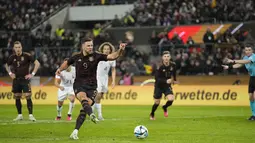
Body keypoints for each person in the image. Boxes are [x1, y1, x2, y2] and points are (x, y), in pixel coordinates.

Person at [55, 38, 126, 140]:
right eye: (88, 45)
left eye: (91, 45)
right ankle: (92, 114)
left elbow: (113, 56)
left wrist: (120, 49)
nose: (90, 47)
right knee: (83, 97)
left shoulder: (96, 55)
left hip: (92, 86)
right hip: (79, 85)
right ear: (83, 46)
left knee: (85, 106)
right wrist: (60, 69)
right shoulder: (76, 57)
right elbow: (67, 63)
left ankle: (75, 131)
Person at [5, 41, 40, 121]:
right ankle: (19, 115)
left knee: (28, 95)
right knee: (17, 96)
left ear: (21, 47)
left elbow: (37, 63)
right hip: (16, 79)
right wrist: (10, 73)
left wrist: (32, 74)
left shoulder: (27, 56)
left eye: (19, 47)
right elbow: (6, 65)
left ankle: (31, 115)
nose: (18, 49)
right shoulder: (12, 57)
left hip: (25, 79)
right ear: (14, 48)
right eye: (16, 47)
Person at [222, 44, 255, 120]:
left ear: (252, 51)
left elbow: (247, 61)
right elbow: (240, 64)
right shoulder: (245, 57)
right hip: (252, 78)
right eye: (246, 50)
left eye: (249, 50)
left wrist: (233, 60)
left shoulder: (253, 56)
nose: (248, 51)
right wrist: (229, 67)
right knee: (251, 97)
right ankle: (254, 115)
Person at [150, 51, 178, 120]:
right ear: (162, 58)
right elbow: (157, 79)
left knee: (171, 99)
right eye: (165, 57)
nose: (166, 58)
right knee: (157, 103)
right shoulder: (159, 66)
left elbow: (174, 72)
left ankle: (165, 107)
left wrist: (174, 80)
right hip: (158, 86)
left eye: (168, 56)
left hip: (166, 86)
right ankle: (152, 113)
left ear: (170, 57)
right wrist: (166, 81)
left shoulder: (173, 65)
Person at [93, 42, 116, 121]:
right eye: (105, 49)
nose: (106, 50)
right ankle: (99, 115)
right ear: (102, 50)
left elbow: (113, 70)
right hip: (97, 78)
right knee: (98, 95)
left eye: (108, 49)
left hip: (105, 79)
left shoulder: (112, 58)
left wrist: (113, 81)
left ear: (110, 50)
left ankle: (92, 112)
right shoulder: (99, 57)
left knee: (99, 97)